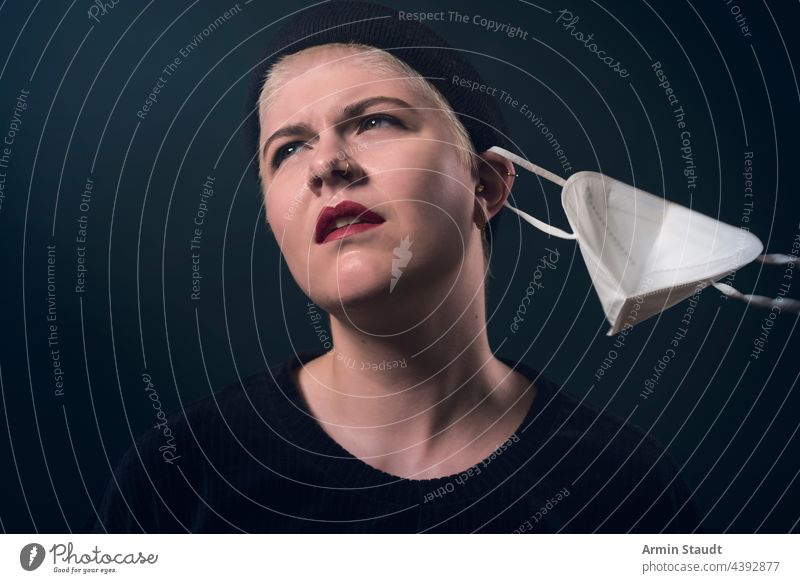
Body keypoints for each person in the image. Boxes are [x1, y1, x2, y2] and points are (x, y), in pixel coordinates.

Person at [83, 0, 703, 533]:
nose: (326, 164)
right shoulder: (180, 477)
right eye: (289, 149)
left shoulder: (621, 488)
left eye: (375, 120)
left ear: (485, 185)